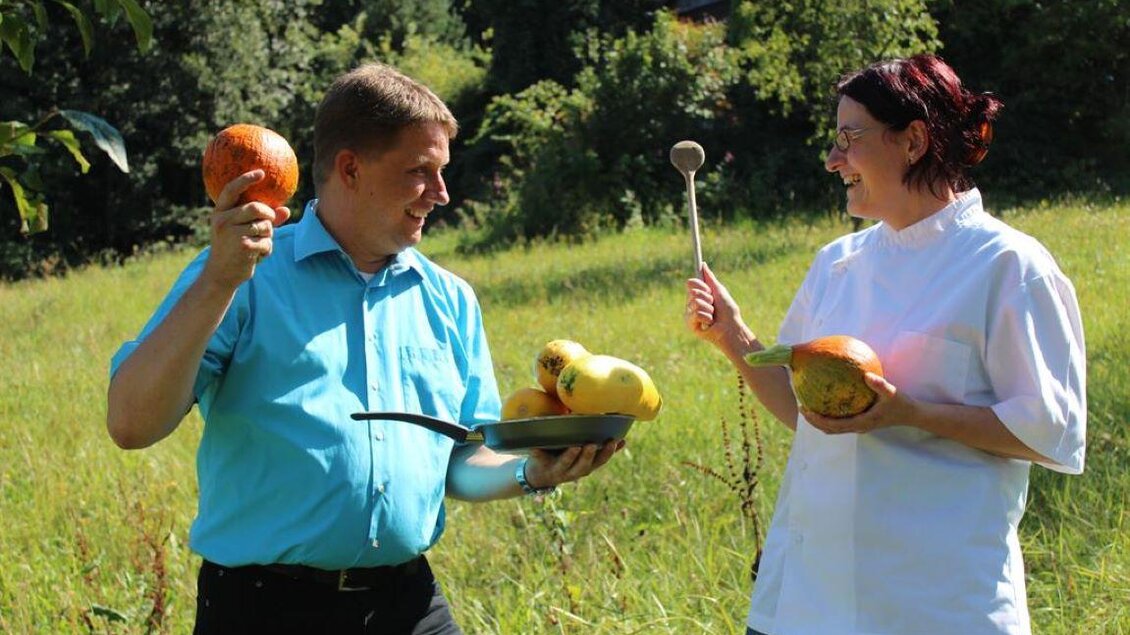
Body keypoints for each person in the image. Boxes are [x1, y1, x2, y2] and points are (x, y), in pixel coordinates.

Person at [107, 62, 622, 634]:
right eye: (419, 171)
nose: (442, 193)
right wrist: (219, 281)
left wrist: (534, 471)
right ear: (350, 168)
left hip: (407, 601)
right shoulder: (239, 275)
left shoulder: (450, 300)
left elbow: (463, 459)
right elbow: (131, 423)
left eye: (442, 171)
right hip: (262, 609)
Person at [684, 54, 1085, 635]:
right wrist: (733, 336)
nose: (832, 158)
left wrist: (908, 413)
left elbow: (1049, 431)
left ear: (914, 140)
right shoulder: (837, 264)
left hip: (935, 606)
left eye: (849, 137)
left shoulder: (1009, 267)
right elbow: (807, 412)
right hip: (806, 603)